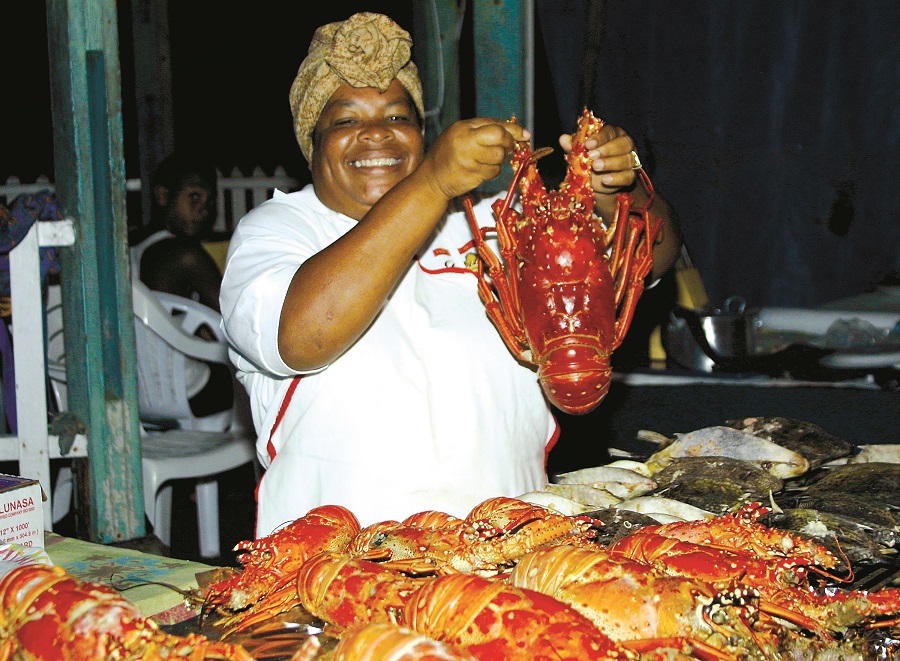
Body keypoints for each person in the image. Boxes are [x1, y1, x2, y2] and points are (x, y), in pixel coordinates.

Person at [220, 12, 682, 536]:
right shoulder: (276, 231)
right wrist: (433, 182)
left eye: (398, 118)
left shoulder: (497, 219)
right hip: (332, 569)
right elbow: (304, 338)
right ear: (312, 142)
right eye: (345, 121)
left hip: (505, 558)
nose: (375, 135)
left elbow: (657, 256)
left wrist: (621, 187)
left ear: (421, 134)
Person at [131, 154, 222, 312]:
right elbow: (236, 317)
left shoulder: (137, 240)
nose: (204, 210)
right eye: (194, 197)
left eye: (209, 201)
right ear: (163, 196)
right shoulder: (185, 254)